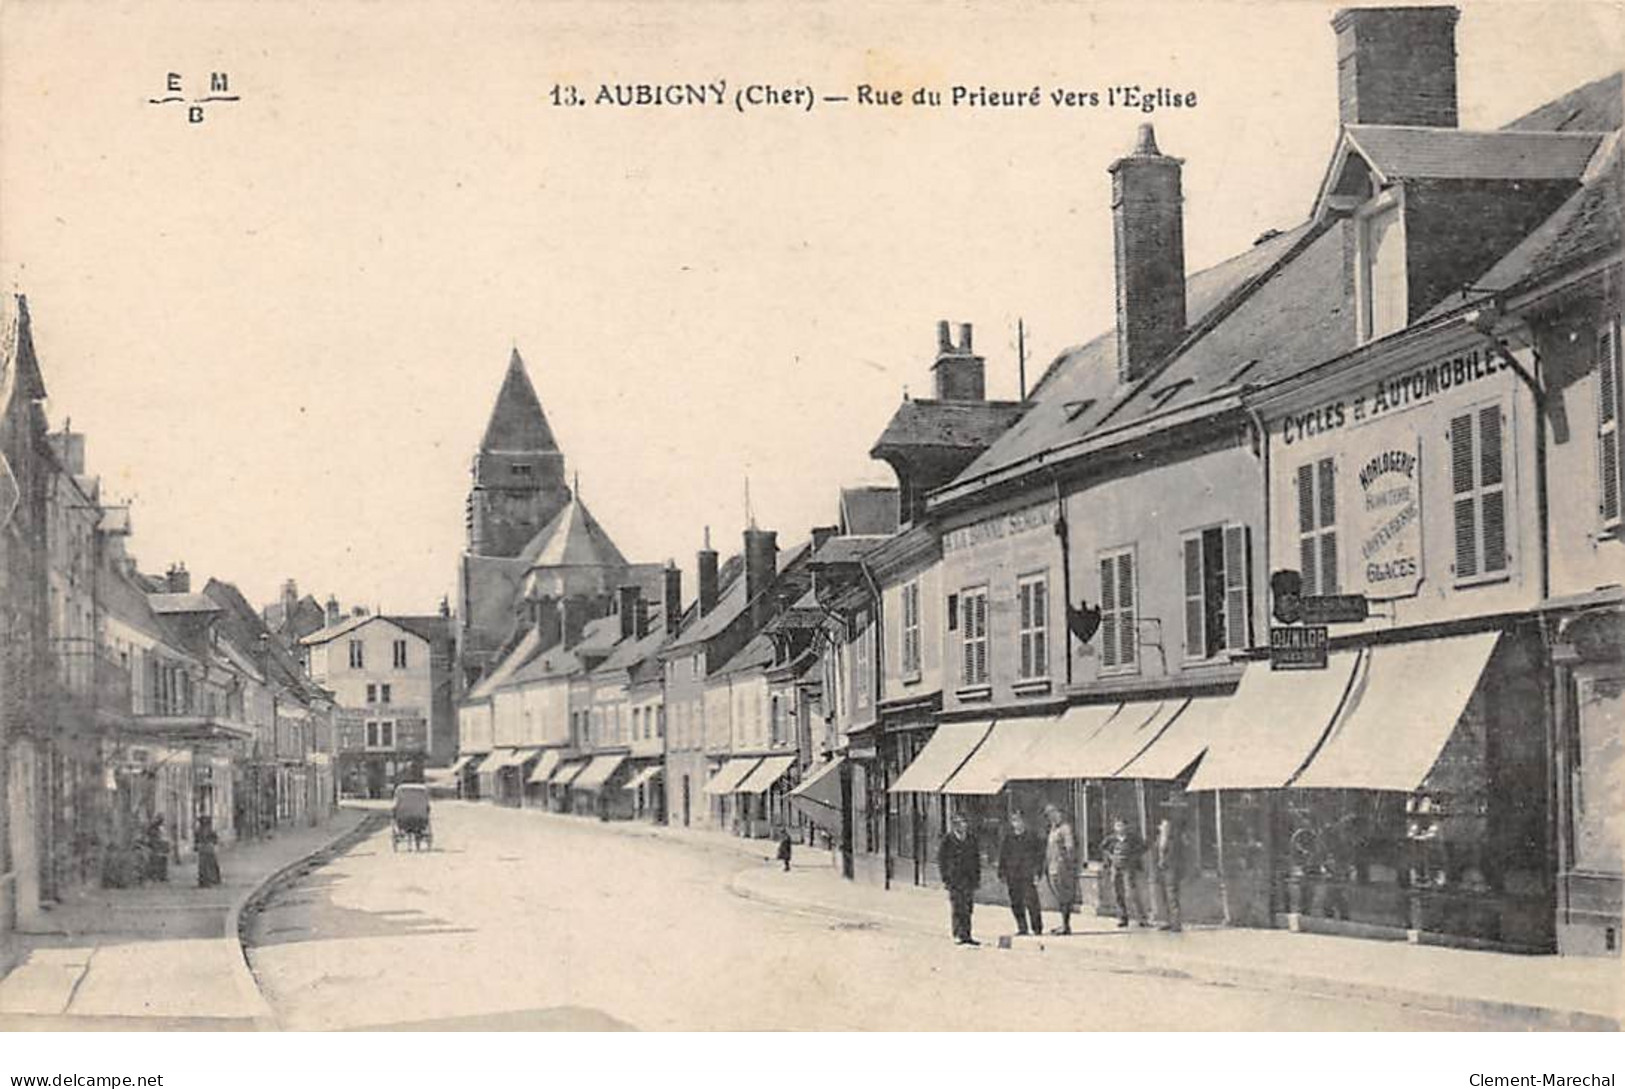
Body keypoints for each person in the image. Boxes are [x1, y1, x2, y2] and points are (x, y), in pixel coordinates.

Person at [937, 812, 981, 946]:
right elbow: (942, 860)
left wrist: (977, 878)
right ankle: (957, 933)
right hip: (954, 878)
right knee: (957, 906)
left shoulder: (971, 839)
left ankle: (967, 934)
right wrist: (945, 878)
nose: (964, 825)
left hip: (968, 878)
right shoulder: (948, 840)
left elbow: (976, 859)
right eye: (961, 822)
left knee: (968, 907)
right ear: (955, 825)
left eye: (965, 822)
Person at [996, 810, 1044, 936]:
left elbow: (1039, 856)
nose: (1017, 824)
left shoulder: (1032, 837)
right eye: (1014, 821)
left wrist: (1038, 872)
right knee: (1016, 902)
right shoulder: (1009, 838)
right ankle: (1022, 927)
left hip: (1027, 875)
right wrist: (1001, 872)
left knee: (1032, 902)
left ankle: (1037, 927)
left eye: (1019, 820)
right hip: (1013, 875)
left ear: (1024, 822)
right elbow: (1003, 856)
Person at [1102, 816, 1148, 927]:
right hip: (1115, 867)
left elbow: (1143, 848)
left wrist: (1134, 858)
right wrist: (1110, 857)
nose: (1120, 828)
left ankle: (1141, 918)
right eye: (1117, 825)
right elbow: (1103, 848)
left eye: (1122, 825)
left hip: (1128, 868)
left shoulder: (1133, 838)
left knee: (1131, 893)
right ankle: (1123, 917)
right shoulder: (1111, 839)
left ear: (1126, 827)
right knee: (1118, 893)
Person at [1044, 804, 1078, 935]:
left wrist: (1068, 865)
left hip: (1062, 868)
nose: (1051, 817)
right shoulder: (1052, 829)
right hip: (1052, 867)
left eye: (1053, 813)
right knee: (1060, 897)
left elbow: (1070, 848)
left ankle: (1066, 925)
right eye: (1049, 815)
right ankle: (1063, 924)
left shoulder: (1065, 828)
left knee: (1064, 896)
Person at [1154, 806, 1186, 932]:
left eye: (1163, 826)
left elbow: (1164, 849)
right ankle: (1169, 920)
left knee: (1171, 894)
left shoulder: (1173, 841)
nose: (1161, 828)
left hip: (1170, 868)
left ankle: (1176, 922)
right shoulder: (1164, 839)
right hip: (1165, 868)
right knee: (1164, 894)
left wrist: (1162, 858)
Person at [196, 815, 222, 888]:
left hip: (208, 848)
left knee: (210, 865)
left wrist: (211, 843)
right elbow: (197, 839)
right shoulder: (199, 830)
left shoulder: (210, 830)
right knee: (204, 866)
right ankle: (204, 881)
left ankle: (211, 880)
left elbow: (215, 839)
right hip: (204, 848)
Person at [142, 816, 169, 884]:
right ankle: (156, 876)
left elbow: (162, 837)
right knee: (156, 862)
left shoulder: (160, 828)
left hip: (160, 847)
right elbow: (151, 838)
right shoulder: (153, 829)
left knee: (162, 861)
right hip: (155, 848)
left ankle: (162, 876)